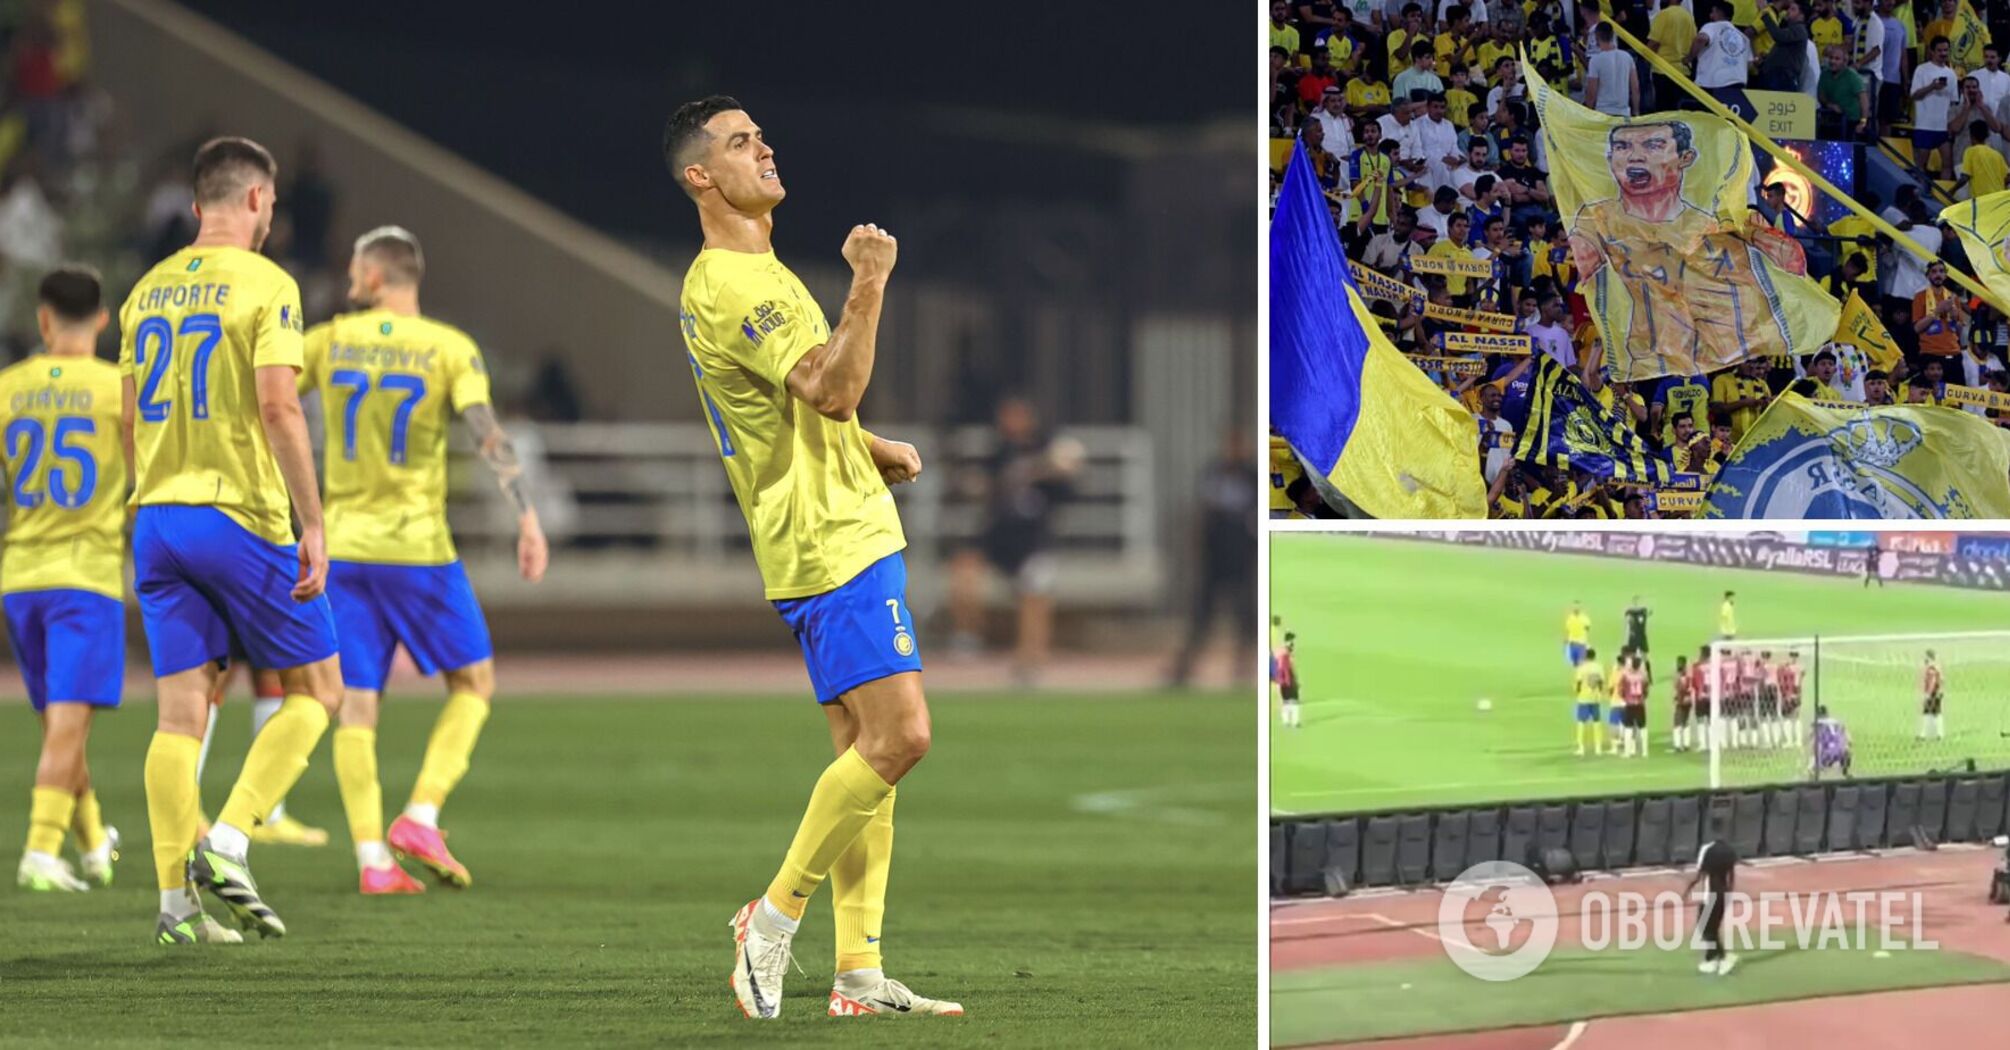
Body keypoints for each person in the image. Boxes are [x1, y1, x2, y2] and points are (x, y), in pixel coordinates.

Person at [665, 95, 959, 1020]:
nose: (765, 148)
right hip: (831, 539)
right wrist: (870, 280)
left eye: (761, 135)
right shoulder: (735, 284)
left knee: (865, 755)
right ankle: (773, 917)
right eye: (741, 143)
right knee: (903, 738)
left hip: (827, 524)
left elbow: (789, 410)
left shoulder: (755, 271)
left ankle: (859, 974)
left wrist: (875, 448)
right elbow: (830, 390)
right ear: (701, 177)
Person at [122, 138, 345, 944]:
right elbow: (281, 408)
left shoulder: (144, 292)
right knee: (321, 690)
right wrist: (311, 523)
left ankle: (175, 906)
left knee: (180, 719)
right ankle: (230, 840)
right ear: (257, 201)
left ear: (196, 206)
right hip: (235, 514)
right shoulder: (267, 283)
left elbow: (125, 421)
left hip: (155, 517)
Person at [296, 226, 550, 895]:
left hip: (345, 549)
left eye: (356, 267)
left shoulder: (327, 341)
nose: (349, 276)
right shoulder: (447, 348)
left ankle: (371, 862)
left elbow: (271, 401)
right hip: (417, 550)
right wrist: (526, 514)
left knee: (356, 706)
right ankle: (421, 813)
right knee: (474, 684)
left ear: (377, 277)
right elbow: (488, 437)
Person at [5, 267, 125, 894]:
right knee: (68, 721)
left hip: (21, 575)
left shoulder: (10, 388)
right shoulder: (117, 390)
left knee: (60, 722)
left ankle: (91, 842)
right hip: (86, 573)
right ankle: (40, 850)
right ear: (103, 320)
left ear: (43, 319)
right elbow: (145, 474)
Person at [946, 396, 1081, 685]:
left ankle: (1030, 660)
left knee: (1036, 591)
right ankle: (968, 635)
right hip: (998, 537)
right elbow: (983, 487)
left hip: (1033, 540)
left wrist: (1048, 472)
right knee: (964, 566)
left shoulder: (1047, 448)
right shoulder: (1000, 452)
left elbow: (1068, 490)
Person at [1685, 837, 1740, 975]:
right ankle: (1711, 958)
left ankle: (1723, 957)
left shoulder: (1706, 850)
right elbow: (1731, 876)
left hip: (1711, 895)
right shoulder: (1729, 851)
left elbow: (1699, 875)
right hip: (1724, 894)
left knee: (1705, 927)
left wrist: (1686, 890)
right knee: (1713, 928)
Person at [1913, 36, 1959, 176]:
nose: (1943, 53)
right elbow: (1915, 95)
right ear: (1932, 51)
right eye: (1940, 50)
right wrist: (1932, 86)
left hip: (1942, 126)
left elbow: (1954, 101)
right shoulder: (1922, 70)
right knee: (1920, 165)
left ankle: (1941, 196)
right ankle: (1919, 193)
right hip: (1924, 125)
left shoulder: (1951, 73)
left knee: (1947, 164)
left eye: (1946, 50)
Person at [1574, 647, 1608, 757]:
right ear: (1594, 656)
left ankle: (1581, 747)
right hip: (1595, 698)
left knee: (1581, 723)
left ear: (1586, 656)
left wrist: (1578, 692)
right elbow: (1601, 683)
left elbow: (1579, 682)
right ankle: (1598, 747)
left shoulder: (1582, 667)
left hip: (1583, 698)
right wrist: (1600, 692)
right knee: (1597, 723)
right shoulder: (1599, 667)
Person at [1812, 705, 1854, 778]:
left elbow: (1815, 743)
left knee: (1812, 769)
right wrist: (1848, 744)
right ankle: (1846, 772)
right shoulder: (1836, 721)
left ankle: (1814, 781)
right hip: (1841, 751)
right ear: (1827, 714)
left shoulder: (1817, 724)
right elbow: (1850, 740)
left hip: (1828, 754)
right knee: (1846, 752)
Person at [1278, 633, 1303, 728]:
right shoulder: (1286, 652)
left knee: (1287, 701)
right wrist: (1293, 680)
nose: (1293, 642)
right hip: (1288, 679)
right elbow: (1289, 667)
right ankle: (1294, 722)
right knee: (1293, 701)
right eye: (1292, 640)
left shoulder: (1286, 651)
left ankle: (1287, 721)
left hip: (1284, 679)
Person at [1672, 653, 1695, 752]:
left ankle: (1678, 745)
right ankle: (1686, 744)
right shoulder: (1689, 675)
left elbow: (1678, 688)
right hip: (1688, 701)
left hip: (1681, 701)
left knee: (1678, 723)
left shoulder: (1678, 676)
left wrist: (1676, 698)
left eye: (1678, 663)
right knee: (1685, 722)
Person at [1920, 649, 1945, 740]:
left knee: (1929, 713)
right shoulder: (1935, 667)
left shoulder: (1931, 669)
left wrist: (1928, 694)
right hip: (1936, 692)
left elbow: (1933, 682)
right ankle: (1938, 733)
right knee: (1935, 713)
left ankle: (1925, 734)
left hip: (1933, 693)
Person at [1564, 600, 1591, 668]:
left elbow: (1587, 628)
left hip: (1581, 643)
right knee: (1574, 664)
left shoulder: (1584, 618)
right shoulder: (1570, 618)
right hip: (1572, 643)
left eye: (1577, 607)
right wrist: (1567, 639)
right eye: (1575, 607)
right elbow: (1568, 630)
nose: (1576, 608)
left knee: (1581, 663)